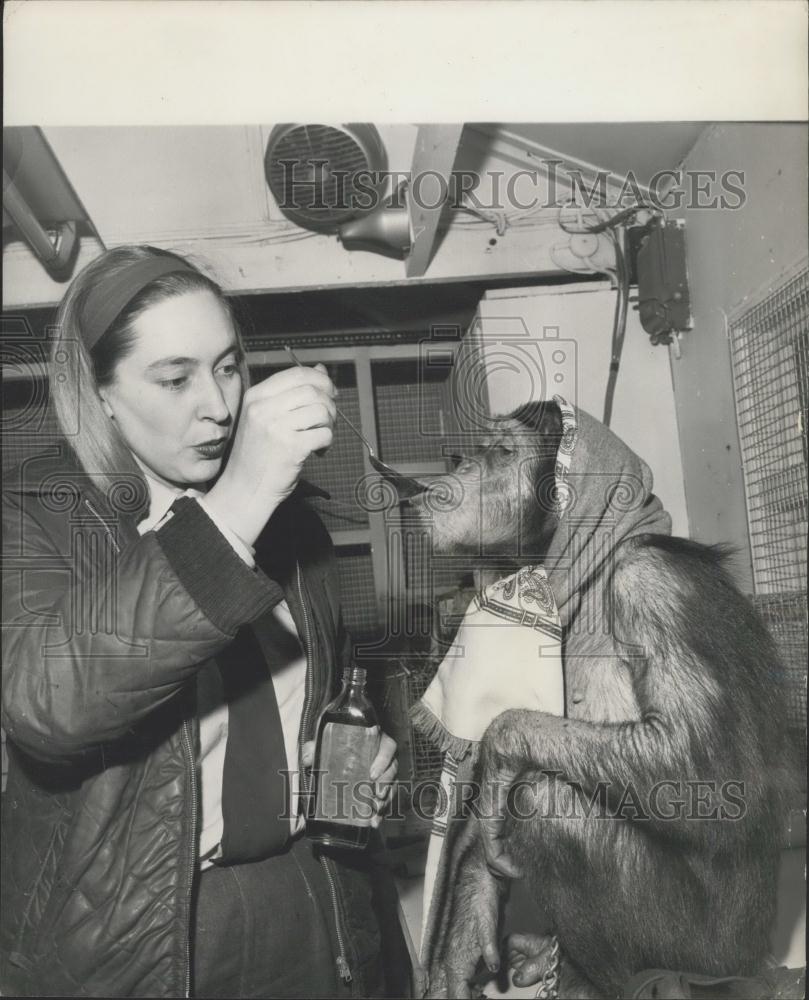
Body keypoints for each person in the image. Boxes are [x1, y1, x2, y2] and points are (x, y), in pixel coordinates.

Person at [1, 245, 401, 998]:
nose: (218, 406)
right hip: (145, 931)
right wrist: (235, 506)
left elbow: (323, 696)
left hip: (309, 888)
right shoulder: (30, 519)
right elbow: (46, 708)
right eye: (175, 378)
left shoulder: (290, 522)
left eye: (227, 367)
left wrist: (353, 761)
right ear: (99, 393)